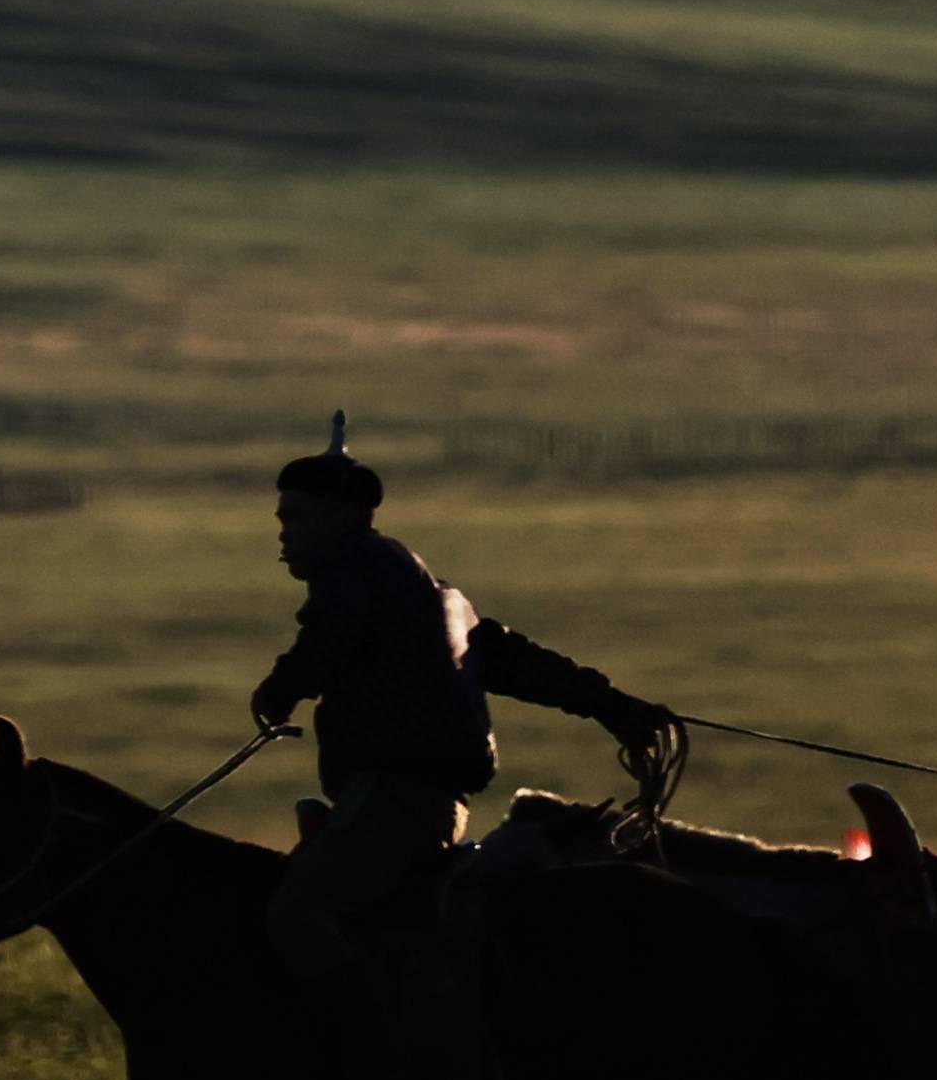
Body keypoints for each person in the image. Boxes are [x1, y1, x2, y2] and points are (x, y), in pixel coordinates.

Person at [251, 414, 674, 983]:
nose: (284, 533)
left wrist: (279, 690)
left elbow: (329, 633)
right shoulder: (434, 599)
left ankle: (373, 1056)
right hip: (432, 809)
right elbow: (522, 664)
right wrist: (614, 706)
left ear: (341, 516)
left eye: (295, 517)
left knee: (297, 917)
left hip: (391, 807)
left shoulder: (351, 572)